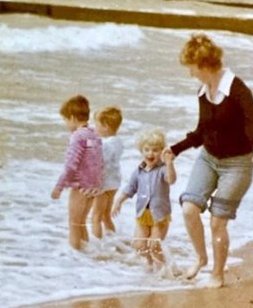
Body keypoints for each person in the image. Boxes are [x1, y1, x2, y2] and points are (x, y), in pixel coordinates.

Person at [164, 33, 253, 288]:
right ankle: (201, 258)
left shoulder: (236, 88)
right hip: (209, 158)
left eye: (191, 68)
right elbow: (202, 130)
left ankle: (218, 274)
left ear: (203, 65)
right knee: (189, 209)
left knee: (217, 222)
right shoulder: (203, 92)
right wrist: (176, 149)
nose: (190, 73)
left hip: (238, 164)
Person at [112, 128, 176, 270]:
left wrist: (170, 163)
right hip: (142, 215)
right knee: (139, 245)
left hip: (159, 216)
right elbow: (130, 189)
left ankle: (163, 269)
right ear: (141, 151)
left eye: (155, 150)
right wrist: (118, 201)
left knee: (154, 245)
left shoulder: (163, 169)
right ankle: (149, 263)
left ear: (161, 152)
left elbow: (171, 180)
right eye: (146, 149)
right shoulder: (138, 171)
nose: (150, 153)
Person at [51, 95, 103, 251]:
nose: (66, 124)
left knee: (73, 224)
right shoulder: (94, 135)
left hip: (80, 186)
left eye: (66, 120)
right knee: (81, 223)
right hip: (93, 186)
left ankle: (75, 259)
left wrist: (59, 187)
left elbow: (71, 166)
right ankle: (85, 257)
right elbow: (97, 161)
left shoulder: (77, 137)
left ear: (72, 118)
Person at [91, 106, 124, 239]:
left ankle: (98, 244)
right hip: (114, 183)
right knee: (106, 216)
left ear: (105, 126)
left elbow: (100, 161)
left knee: (96, 217)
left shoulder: (105, 144)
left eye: (96, 125)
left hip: (103, 184)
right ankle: (113, 238)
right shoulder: (118, 142)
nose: (95, 128)